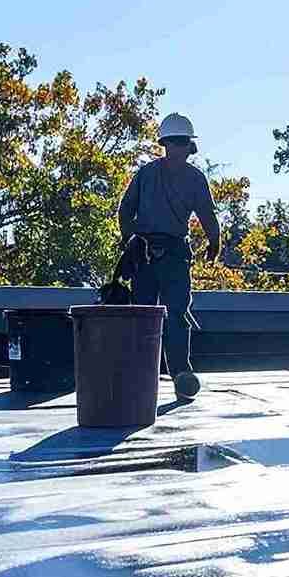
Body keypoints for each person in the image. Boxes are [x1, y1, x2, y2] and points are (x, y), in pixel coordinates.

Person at [118, 113, 220, 400]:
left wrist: (215, 242)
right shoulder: (146, 174)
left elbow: (207, 215)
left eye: (181, 142)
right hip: (145, 254)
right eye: (172, 142)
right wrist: (131, 240)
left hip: (176, 254)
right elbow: (125, 211)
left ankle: (180, 375)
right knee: (143, 315)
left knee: (177, 314)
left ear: (189, 146)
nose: (177, 147)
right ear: (165, 144)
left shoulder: (195, 179)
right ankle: (139, 374)